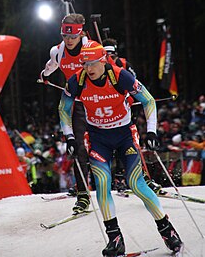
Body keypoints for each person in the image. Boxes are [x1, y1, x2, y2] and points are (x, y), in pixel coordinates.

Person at [58, 40, 182, 256]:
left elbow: (149, 100)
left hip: (125, 135)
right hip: (98, 138)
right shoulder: (77, 80)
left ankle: (167, 230)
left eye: (92, 63)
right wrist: (69, 136)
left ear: (103, 60)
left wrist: (151, 131)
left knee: (136, 184)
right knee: (103, 182)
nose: (88, 68)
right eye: (84, 63)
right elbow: (63, 108)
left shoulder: (119, 76)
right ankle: (115, 238)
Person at [39, 13, 90, 214]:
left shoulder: (90, 49)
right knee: (78, 148)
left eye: (73, 37)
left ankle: (130, 178)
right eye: (65, 36)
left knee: (113, 140)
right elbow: (51, 66)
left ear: (81, 34)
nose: (68, 41)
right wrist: (44, 76)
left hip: (97, 101)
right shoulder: (58, 51)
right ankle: (83, 195)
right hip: (76, 104)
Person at [103, 38, 162, 194]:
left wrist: (137, 99)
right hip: (107, 112)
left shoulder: (123, 65)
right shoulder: (98, 66)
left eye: (112, 54)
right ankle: (118, 178)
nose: (110, 57)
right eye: (107, 54)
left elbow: (135, 83)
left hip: (126, 109)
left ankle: (139, 177)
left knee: (131, 144)